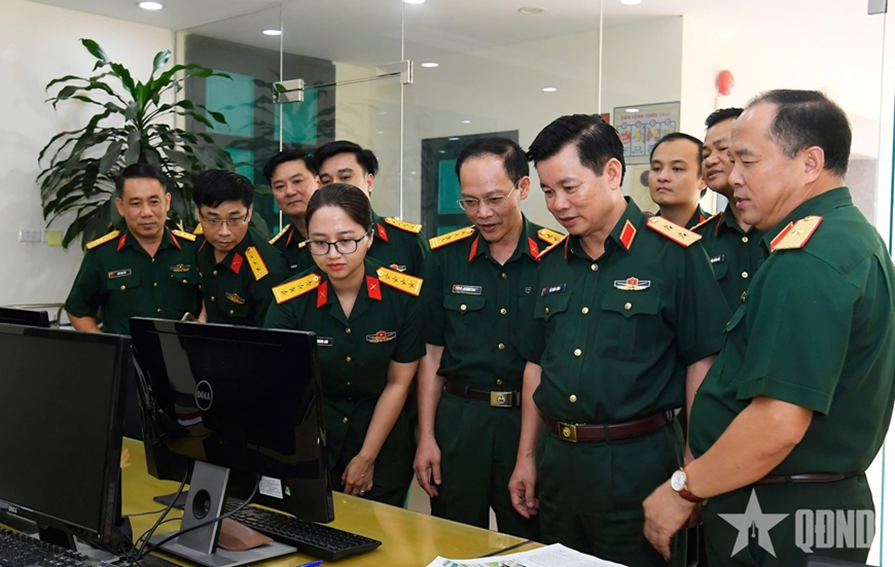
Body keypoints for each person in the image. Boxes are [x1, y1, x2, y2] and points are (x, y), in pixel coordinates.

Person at [643, 90, 895, 567]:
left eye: (747, 160)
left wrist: (684, 489)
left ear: (809, 163)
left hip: (780, 516)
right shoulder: (848, 236)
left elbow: (777, 423)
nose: (732, 175)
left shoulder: (808, 258)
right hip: (815, 505)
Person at [508, 114, 729, 567]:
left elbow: (703, 363)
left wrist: (693, 472)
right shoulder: (550, 263)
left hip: (639, 464)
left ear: (611, 173)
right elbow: (536, 364)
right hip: (559, 464)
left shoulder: (674, 254)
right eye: (548, 191)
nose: (558, 204)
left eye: (570, 187)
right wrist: (526, 456)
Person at [413, 137, 560, 539]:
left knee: (529, 543)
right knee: (455, 541)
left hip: (530, 423)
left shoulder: (556, 257)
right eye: (470, 201)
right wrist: (427, 437)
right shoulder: (444, 257)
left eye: (495, 199)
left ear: (523, 188)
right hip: (461, 423)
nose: (483, 213)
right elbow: (431, 353)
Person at [265, 183, 424, 506]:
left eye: (346, 241)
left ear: (369, 236)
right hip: (311, 444)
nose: (333, 254)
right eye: (320, 243)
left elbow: (398, 382)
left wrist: (366, 457)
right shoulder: (290, 301)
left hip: (383, 445)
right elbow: (282, 385)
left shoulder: (403, 296)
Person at [65, 164, 200, 334]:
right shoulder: (102, 254)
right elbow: (78, 310)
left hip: (182, 350)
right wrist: (106, 345)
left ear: (167, 202)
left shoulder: (193, 249)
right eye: (136, 204)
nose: (146, 212)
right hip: (127, 351)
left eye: (154, 202)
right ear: (121, 207)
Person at [314, 140, 429, 276]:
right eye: (327, 181)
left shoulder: (408, 240)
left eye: (345, 177)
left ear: (369, 182)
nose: (336, 187)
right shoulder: (316, 246)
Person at [193, 169, 288, 326]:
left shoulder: (267, 269)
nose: (224, 232)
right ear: (198, 214)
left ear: (249, 213)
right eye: (213, 220)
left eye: (234, 220)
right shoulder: (198, 243)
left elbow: (269, 335)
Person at [692, 107, 765, 310]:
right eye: (705, 154)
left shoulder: (786, 228)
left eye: (723, 148)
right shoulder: (698, 239)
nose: (710, 160)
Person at [264, 150, 321, 273]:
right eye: (280, 186)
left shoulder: (350, 235)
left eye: (297, 181)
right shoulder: (276, 251)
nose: (290, 192)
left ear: (318, 182)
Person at [649, 132, 710, 228]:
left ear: (703, 179)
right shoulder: (639, 233)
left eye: (677, 169)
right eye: (656, 168)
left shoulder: (718, 232)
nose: (662, 177)